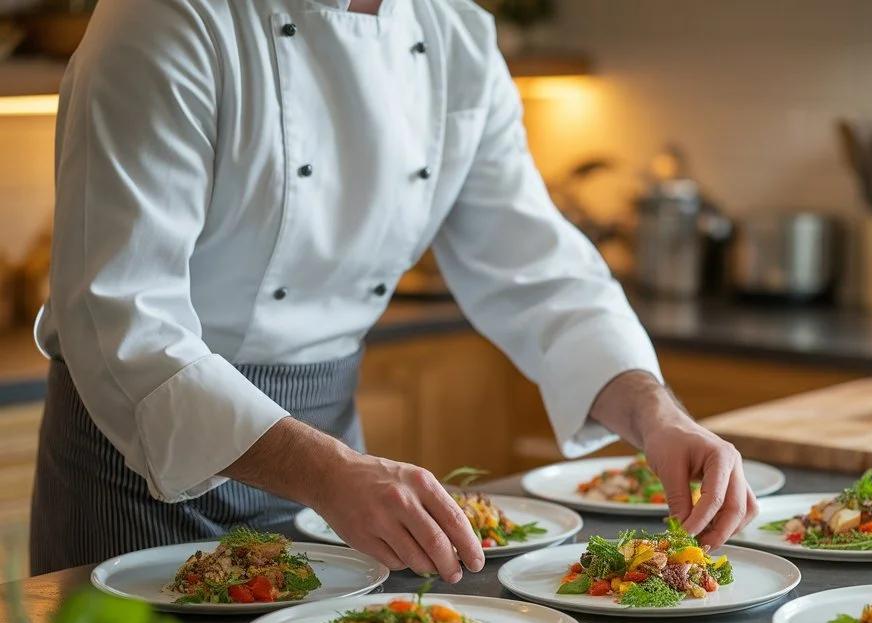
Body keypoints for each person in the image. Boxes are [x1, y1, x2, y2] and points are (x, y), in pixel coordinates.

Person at [28, 0, 758, 578]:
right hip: (137, 472)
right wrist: (327, 471)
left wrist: (659, 417)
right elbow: (120, 323)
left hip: (334, 479)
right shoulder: (167, 20)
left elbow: (543, 274)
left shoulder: (456, 40)